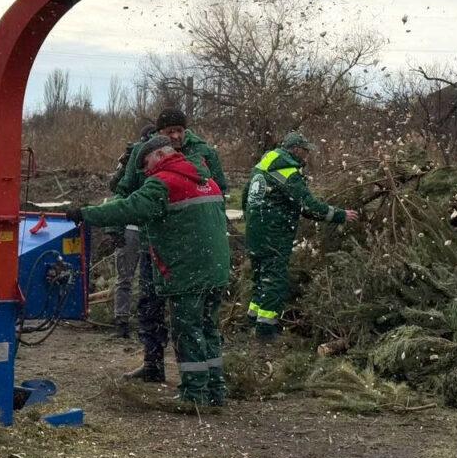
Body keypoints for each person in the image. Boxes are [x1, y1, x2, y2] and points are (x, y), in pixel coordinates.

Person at [68, 135, 230, 406]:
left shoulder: (163, 183)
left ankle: (194, 395)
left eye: (145, 163)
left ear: (158, 156)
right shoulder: (206, 179)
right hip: (215, 270)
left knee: (187, 331)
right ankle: (215, 390)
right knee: (209, 328)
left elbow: (128, 208)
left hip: (187, 271)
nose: (144, 170)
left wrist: (86, 214)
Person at [116, 107, 227, 381]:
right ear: (159, 133)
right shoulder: (144, 154)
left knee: (194, 314)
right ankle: (153, 363)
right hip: (153, 244)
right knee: (150, 304)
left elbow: (220, 190)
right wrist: (116, 226)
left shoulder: (202, 152)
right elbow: (124, 191)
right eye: (170, 132)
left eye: (180, 130)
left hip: (194, 248)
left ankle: (201, 377)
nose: (176, 135)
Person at [244, 131, 358, 341]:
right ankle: (266, 331)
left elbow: (246, 198)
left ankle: (252, 319)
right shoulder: (287, 171)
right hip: (274, 234)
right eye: (305, 151)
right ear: (295, 150)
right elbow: (307, 204)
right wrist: (340, 215)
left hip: (255, 232)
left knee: (260, 276)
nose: (307, 156)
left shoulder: (261, 168)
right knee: (274, 279)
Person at [106, 124, 156, 338]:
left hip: (149, 229)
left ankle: (144, 322)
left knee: (146, 280)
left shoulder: (159, 164)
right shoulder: (132, 162)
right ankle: (123, 321)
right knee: (126, 278)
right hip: (131, 227)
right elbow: (117, 189)